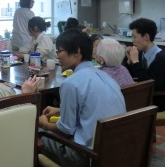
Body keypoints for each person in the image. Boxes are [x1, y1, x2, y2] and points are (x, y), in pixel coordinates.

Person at [38, 29, 126, 167]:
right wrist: (60, 110)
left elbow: (66, 130)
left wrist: (44, 124)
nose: (57, 56)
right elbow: (92, 108)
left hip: (87, 156)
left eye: (59, 51)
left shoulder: (70, 83)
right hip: (116, 151)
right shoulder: (106, 77)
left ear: (77, 52)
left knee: (37, 133)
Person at [124, 18, 165, 112]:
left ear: (146, 36)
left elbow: (149, 84)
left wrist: (136, 62)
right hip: (143, 95)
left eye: (134, 37)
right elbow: (128, 77)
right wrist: (129, 62)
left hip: (157, 100)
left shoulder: (162, 59)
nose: (132, 40)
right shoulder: (140, 53)